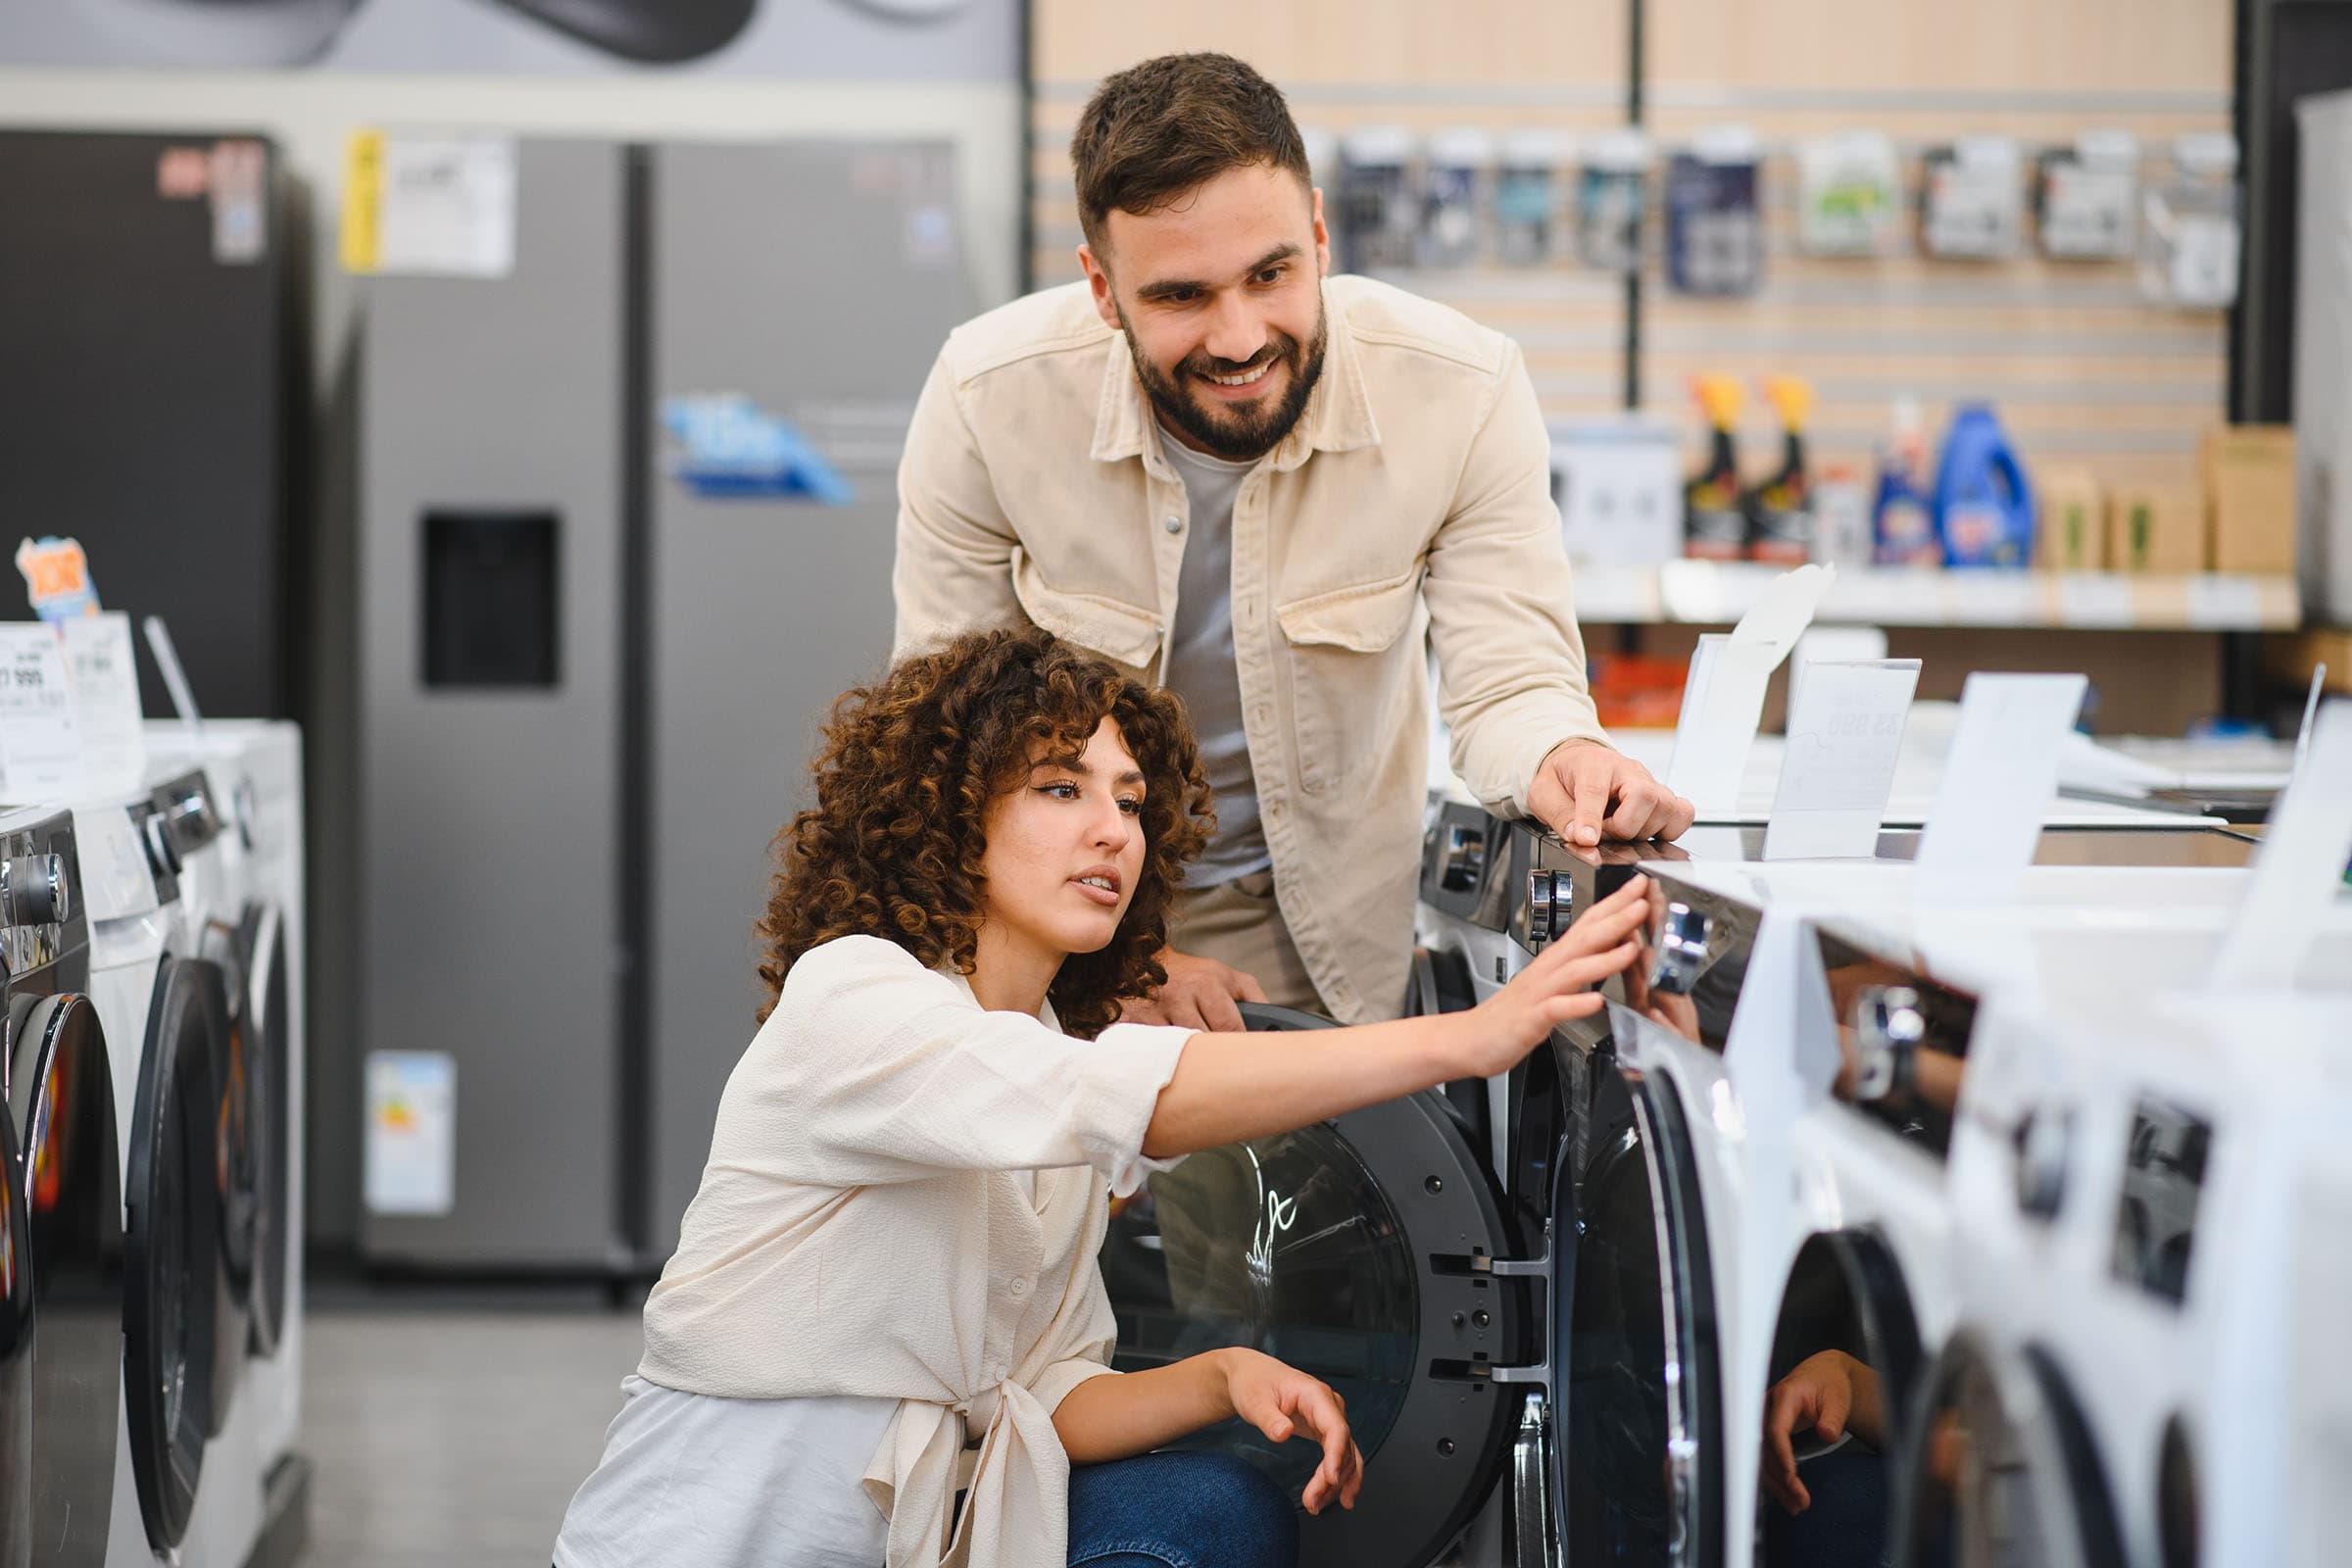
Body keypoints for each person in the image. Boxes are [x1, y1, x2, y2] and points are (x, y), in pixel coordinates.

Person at [550, 626, 1653, 1568]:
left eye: (1130, 799)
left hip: (920, 1539)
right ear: (944, 814)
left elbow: (1046, 1397)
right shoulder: (855, 997)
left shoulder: (1034, 1041)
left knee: (1219, 1509)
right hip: (713, 1540)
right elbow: (1126, 1099)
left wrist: (1221, 1374)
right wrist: (1467, 1038)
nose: (1112, 829)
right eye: (1059, 788)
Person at [893, 52, 1693, 1033]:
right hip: (1056, 934)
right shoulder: (989, 399)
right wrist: (1123, 963)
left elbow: (1509, 681)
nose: (1238, 338)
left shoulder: (1461, 392)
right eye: (1181, 296)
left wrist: (1568, 755)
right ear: (1103, 290)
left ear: (1319, 234)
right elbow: (946, 740)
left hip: (1325, 931)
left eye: (1271, 274)